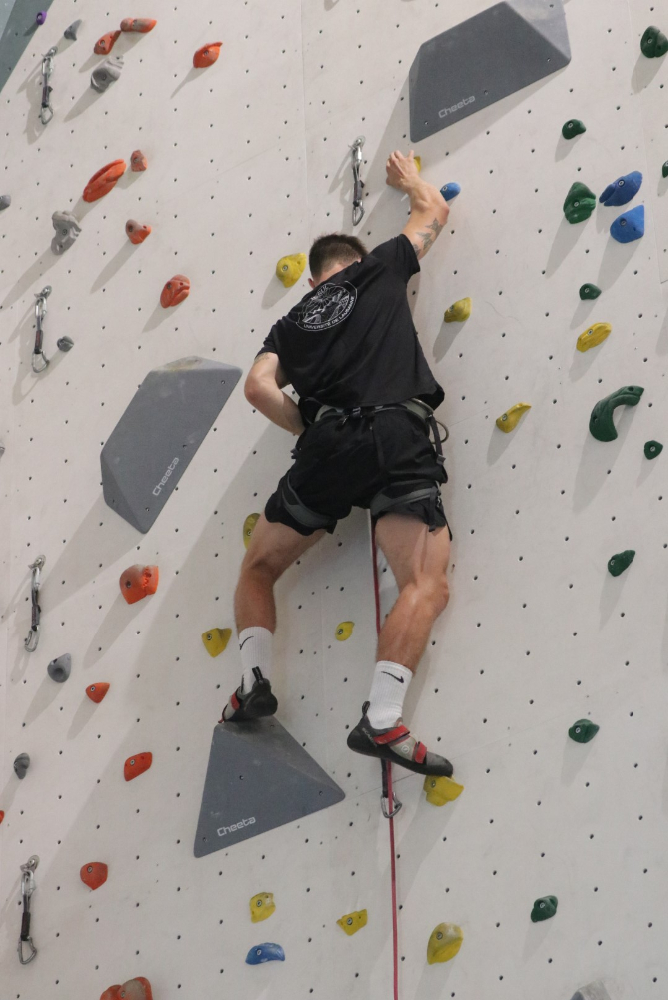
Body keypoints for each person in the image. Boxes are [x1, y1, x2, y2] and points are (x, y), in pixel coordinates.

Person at [220, 149, 454, 777]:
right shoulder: (382, 267)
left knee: (258, 568)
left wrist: (312, 427)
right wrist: (408, 180)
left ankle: (254, 681)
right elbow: (433, 210)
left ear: (313, 282)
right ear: (356, 261)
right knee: (424, 583)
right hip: (397, 436)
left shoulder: (289, 325)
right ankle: (383, 719)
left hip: (328, 449)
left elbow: (257, 389)